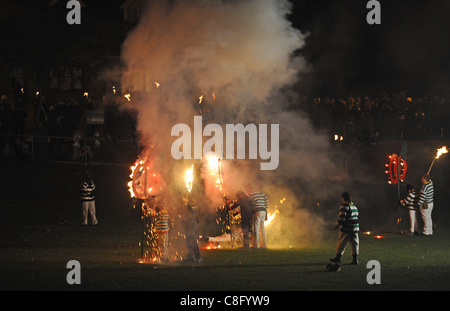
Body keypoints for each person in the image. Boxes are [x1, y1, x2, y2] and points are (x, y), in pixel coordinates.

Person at [330, 192, 359, 265]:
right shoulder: (353, 205)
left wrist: (336, 225)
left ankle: (338, 258)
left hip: (347, 228)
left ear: (343, 198)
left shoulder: (344, 205)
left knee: (341, 243)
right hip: (355, 228)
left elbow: (341, 217)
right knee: (354, 243)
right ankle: (355, 260)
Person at [246, 184, 268, 249]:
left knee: (256, 228)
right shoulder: (262, 193)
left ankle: (256, 245)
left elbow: (251, 203)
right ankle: (264, 246)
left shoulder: (252, 194)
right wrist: (265, 208)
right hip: (263, 211)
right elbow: (267, 201)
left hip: (257, 211)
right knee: (262, 228)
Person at [182, 196, 202, 263]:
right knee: (189, 243)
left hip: (191, 228)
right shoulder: (190, 210)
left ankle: (198, 257)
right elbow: (198, 220)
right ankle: (191, 257)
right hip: (189, 228)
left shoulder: (192, 209)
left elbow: (197, 219)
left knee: (193, 243)